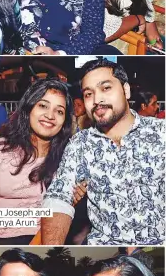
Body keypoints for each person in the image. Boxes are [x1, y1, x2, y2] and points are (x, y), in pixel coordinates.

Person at [41, 58, 165, 245]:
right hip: (103, 247)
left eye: (106, 88)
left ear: (126, 90)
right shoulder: (81, 143)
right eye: (88, 94)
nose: (97, 100)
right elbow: (58, 198)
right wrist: (51, 249)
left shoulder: (161, 133)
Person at [0, 78, 73, 244]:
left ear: (65, 120)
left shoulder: (68, 157)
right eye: (43, 105)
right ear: (29, 107)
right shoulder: (2, 149)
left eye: (59, 111)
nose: (50, 115)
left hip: (43, 239)